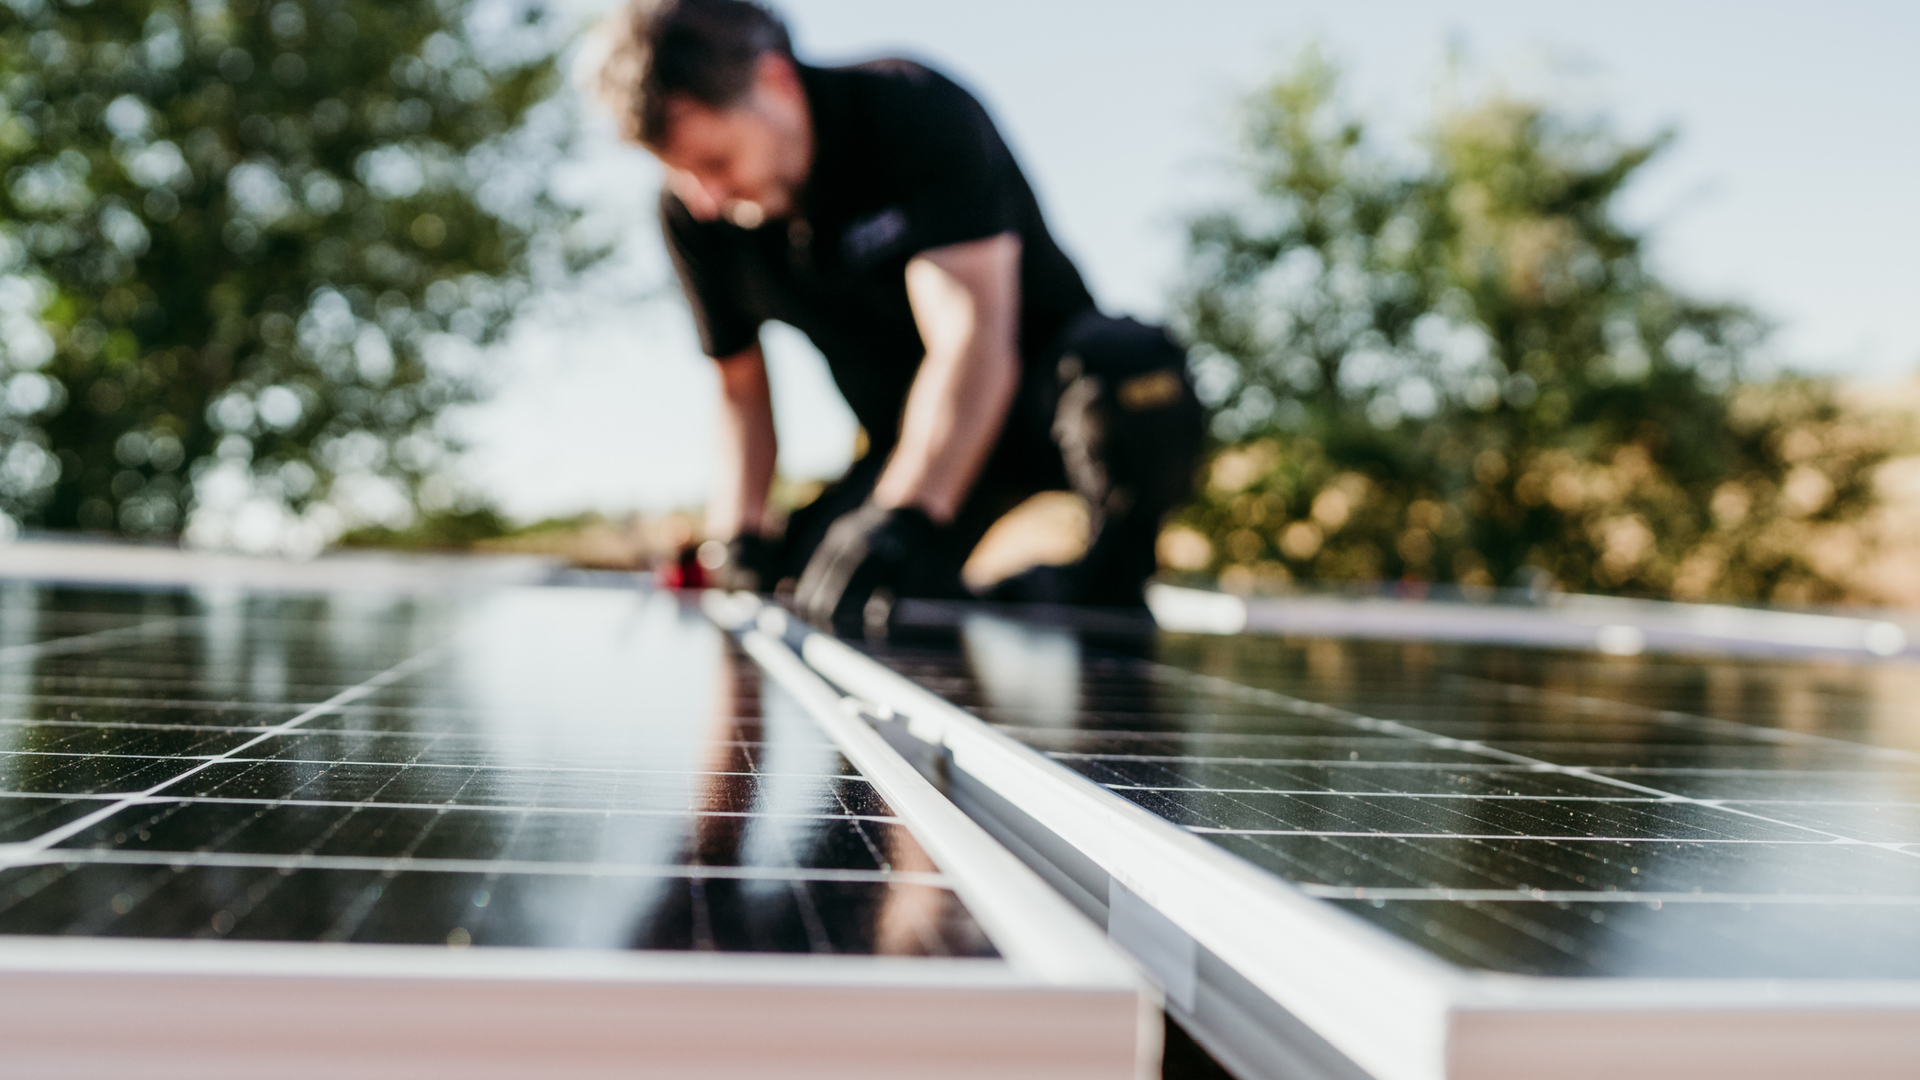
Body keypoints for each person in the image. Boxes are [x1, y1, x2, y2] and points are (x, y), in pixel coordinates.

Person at [590, 0, 1204, 631]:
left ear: (774, 80)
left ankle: (1107, 586)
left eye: (716, 163)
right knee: (818, 580)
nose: (707, 198)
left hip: (1039, 404)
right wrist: (739, 538)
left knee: (1133, 371)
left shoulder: (910, 110)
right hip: (908, 445)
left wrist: (904, 515)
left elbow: (972, 339)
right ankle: (951, 580)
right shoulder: (694, 217)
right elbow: (739, 388)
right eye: (684, 175)